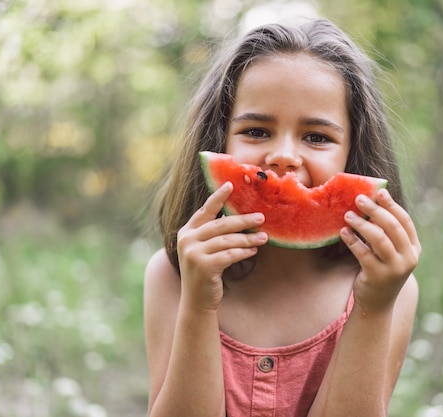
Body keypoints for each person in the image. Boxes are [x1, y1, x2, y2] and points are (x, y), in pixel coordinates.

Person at [144, 18, 421, 417]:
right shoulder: (173, 275)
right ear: (218, 141)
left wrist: (373, 307)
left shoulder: (389, 287)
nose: (285, 156)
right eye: (256, 131)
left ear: (354, 153)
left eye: (317, 137)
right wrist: (199, 304)